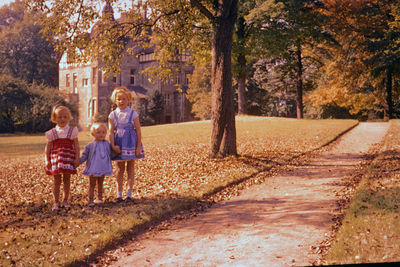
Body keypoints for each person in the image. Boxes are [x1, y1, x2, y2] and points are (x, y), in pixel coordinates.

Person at [108, 86, 144, 203]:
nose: (121, 101)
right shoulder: (113, 115)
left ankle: (129, 193)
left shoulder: (133, 114)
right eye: (119, 99)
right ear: (115, 100)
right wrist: (113, 145)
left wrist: (138, 147)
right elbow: (111, 131)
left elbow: (138, 130)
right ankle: (119, 194)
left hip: (131, 143)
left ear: (128, 100)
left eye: (124, 99)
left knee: (130, 167)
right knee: (119, 169)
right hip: (119, 143)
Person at [45, 105, 80, 211]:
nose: (62, 119)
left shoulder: (72, 131)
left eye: (65, 117)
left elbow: (77, 146)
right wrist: (47, 160)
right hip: (56, 159)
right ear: (55, 118)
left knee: (67, 179)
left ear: (68, 118)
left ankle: (65, 200)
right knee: (56, 180)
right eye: (59, 117)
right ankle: (56, 201)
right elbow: (48, 147)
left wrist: (77, 158)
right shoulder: (52, 133)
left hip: (68, 158)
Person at [79, 123, 113, 207]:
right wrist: (78, 162)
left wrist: (118, 152)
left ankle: (99, 198)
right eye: (98, 132)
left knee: (101, 183)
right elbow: (85, 155)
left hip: (103, 167)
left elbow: (111, 154)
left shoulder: (107, 144)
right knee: (92, 184)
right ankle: (90, 199)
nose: (101, 134)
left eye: (103, 132)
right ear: (93, 134)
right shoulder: (90, 145)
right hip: (93, 168)